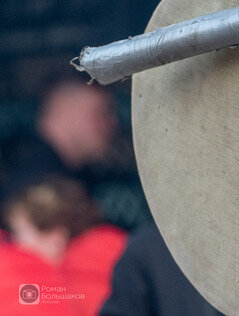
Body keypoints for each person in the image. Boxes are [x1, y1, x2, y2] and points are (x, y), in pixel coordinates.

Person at [0, 74, 150, 231]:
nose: (112, 125)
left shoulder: (70, 173)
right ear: (65, 111)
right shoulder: (35, 182)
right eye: (100, 113)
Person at [0, 177, 127, 314]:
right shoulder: (111, 243)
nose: (15, 244)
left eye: (18, 234)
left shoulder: (79, 272)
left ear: (56, 237)